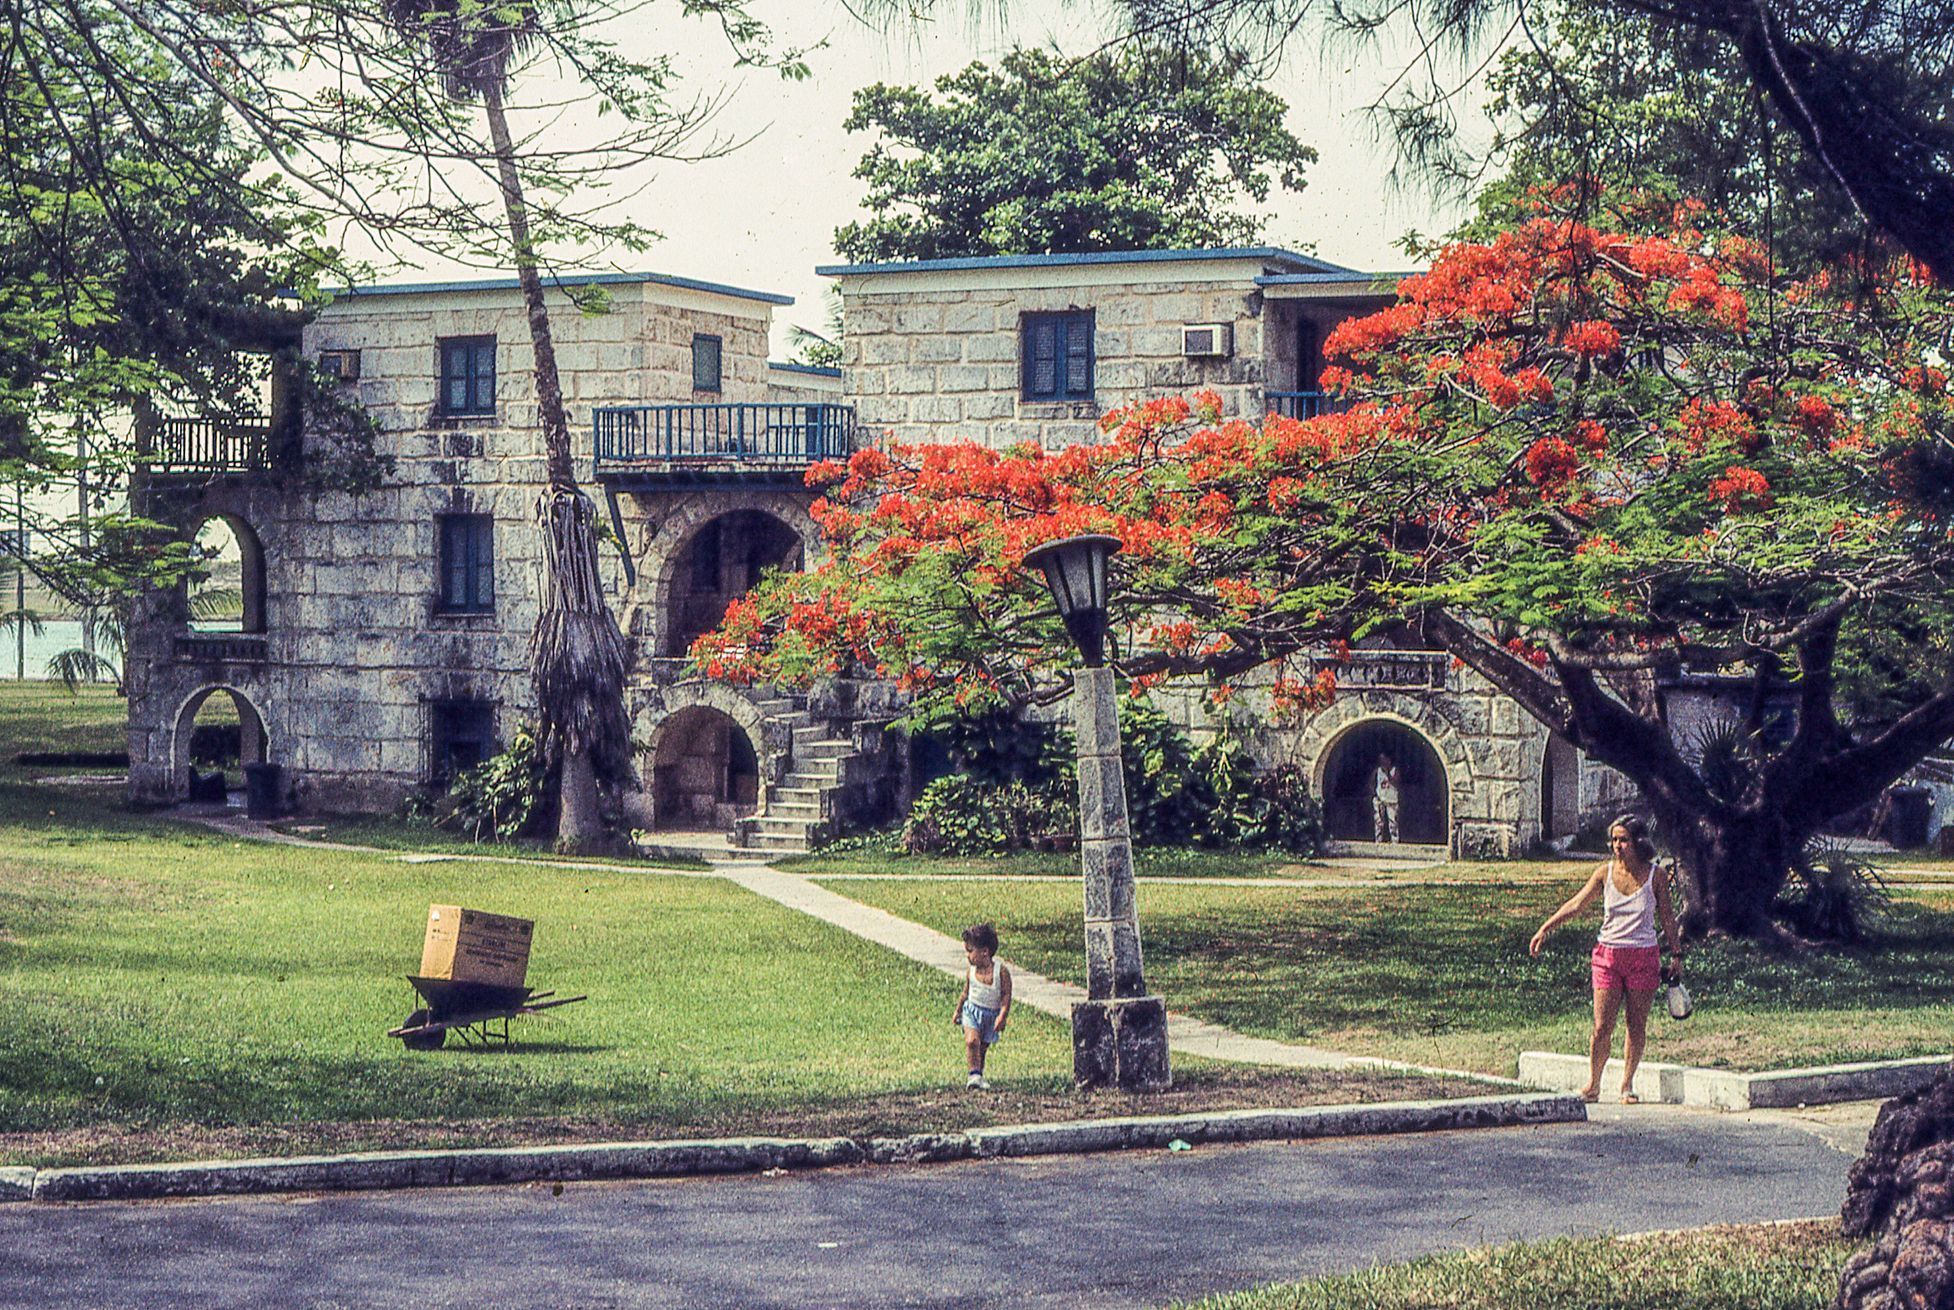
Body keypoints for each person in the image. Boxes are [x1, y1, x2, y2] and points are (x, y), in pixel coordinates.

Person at [1529, 814, 1684, 1103]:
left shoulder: (1656, 876)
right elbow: (1576, 904)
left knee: (1635, 1024)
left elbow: (1667, 917)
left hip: (1643, 956)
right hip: (1607, 956)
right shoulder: (1604, 873)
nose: (1617, 846)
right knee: (1602, 1026)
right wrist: (1545, 928)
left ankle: (1626, 1085)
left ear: (1638, 842)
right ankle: (1593, 1084)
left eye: (1623, 840)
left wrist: (1676, 954)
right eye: (1614, 840)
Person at [954, 922, 1012, 1090]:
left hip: (990, 1015)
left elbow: (1006, 995)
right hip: (972, 1011)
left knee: (982, 1048)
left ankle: (978, 1075)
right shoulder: (970, 972)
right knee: (972, 1041)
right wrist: (958, 1011)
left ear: (985, 952)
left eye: (970, 951)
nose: (967, 956)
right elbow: (965, 993)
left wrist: (1002, 1016)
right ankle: (973, 1075)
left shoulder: (1001, 972)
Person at [1372, 752, 1401, 843]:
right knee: (1379, 821)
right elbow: (1371, 782)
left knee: (1393, 821)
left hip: (1391, 799)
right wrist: (1374, 793)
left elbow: (1396, 781)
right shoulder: (1377, 771)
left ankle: (1394, 841)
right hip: (1380, 798)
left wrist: (1388, 772)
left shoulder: (1394, 770)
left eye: (1384, 759)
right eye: (1380, 760)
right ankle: (1378, 840)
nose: (1382, 762)